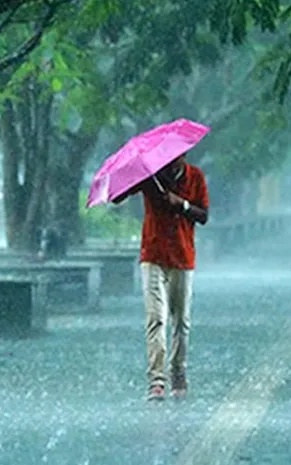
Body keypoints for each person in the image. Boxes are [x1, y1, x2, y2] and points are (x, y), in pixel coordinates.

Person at [112, 153, 209, 401]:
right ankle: (156, 380)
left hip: (183, 257)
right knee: (156, 318)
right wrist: (133, 175)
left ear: (185, 155)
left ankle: (178, 372)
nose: (172, 160)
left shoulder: (195, 177)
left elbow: (204, 216)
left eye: (177, 156)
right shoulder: (151, 176)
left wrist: (182, 204)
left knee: (181, 321)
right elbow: (117, 197)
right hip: (153, 255)